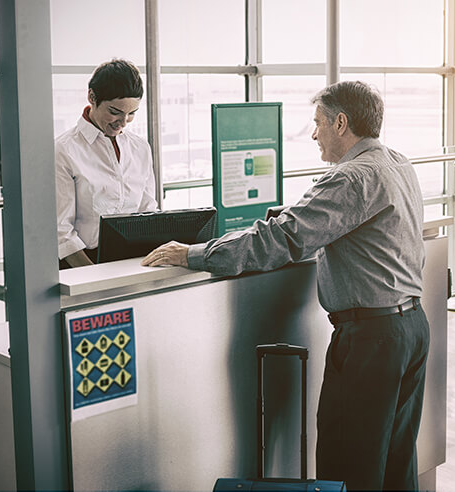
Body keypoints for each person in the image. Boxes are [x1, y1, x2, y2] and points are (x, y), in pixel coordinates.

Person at [142, 81, 430, 491]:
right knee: (396, 463)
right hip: (411, 328)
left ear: (341, 122)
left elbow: (280, 240)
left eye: (318, 124)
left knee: (349, 464)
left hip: (371, 340)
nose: (313, 134)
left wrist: (193, 253)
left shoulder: (351, 177)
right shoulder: (396, 163)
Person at [55, 59, 157, 269]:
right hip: (81, 264)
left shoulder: (140, 148)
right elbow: (60, 231)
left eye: (131, 113)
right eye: (114, 111)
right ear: (92, 97)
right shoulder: (63, 150)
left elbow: (148, 211)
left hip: (132, 262)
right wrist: (95, 276)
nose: (123, 122)